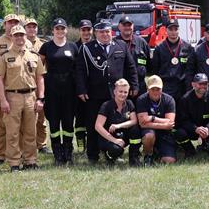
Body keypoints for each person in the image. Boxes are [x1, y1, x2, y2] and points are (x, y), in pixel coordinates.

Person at [75, 21, 138, 164]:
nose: (105, 34)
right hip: (95, 94)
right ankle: (93, 155)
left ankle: (112, 152)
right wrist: (81, 89)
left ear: (112, 32)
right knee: (92, 125)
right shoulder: (87, 48)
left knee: (113, 124)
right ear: (96, 33)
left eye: (107, 31)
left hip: (115, 95)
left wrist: (134, 85)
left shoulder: (121, 45)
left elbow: (130, 67)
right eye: (101, 32)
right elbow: (80, 71)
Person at [0, 25, 45, 171]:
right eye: (16, 35)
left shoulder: (33, 56)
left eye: (21, 35)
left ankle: (30, 160)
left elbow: (40, 78)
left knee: (30, 131)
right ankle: (14, 162)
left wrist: (40, 98)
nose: (19, 38)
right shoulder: (5, 56)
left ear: (25, 36)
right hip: (12, 97)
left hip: (30, 96)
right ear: (11, 37)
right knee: (13, 132)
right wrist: (3, 100)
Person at [39, 18, 78, 165]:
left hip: (69, 90)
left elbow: (78, 69)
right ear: (52, 30)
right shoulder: (46, 47)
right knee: (54, 123)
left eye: (62, 28)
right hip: (52, 90)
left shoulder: (73, 47)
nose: (60, 31)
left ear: (66, 30)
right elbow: (39, 69)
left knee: (68, 122)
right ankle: (57, 154)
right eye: (57, 29)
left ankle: (68, 153)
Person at [0, 13, 22, 165]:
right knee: (2, 124)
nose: (12, 24)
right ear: (4, 25)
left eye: (15, 22)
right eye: (10, 22)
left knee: (19, 125)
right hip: (1, 90)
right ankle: (0, 155)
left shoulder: (23, 42)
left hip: (18, 89)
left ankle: (17, 153)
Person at [174, 73, 209, 160]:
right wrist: (195, 129)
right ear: (193, 84)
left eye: (205, 84)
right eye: (200, 84)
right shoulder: (185, 99)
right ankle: (190, 151)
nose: (203, 86)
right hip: (192, 130)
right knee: (178, 132)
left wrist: (208, 128)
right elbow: (181, 120)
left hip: (208, 131)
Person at [94, 78, 141, 166]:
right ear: (114, 91)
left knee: (136, 129)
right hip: (108, 138)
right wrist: (114, 140)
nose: (123, 94)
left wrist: (118, 126)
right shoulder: (106, 105)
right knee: (116, 150)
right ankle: (109, 156)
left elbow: (134, 121)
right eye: (120, 91)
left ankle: (134, 157)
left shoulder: (129, 103)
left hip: (122, 135)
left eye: (125, 92)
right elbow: (98, 126)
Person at [136, 75, 177, 166]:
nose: (155, 92)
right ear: (147, 89)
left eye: (158, 89)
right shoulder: (141, 100)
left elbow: (170, 122)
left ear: (162, 88)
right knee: (149, 136)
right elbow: (142, 124)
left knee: (169, 161)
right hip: (149, 131)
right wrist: (164, 125)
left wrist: (152, 118)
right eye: (152, 89)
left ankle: (157, 152)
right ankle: (148, 155)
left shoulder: (169, 100)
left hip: (165, 133)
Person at [150, 21, 195, 101]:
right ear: (166, 30)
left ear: (179, 30)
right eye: (170, 29)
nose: (173, 32)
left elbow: (191, 69)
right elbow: (155, 70)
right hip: (166, 87)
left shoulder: (188, 47)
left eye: (176, 29)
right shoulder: (159, 48)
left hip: (183, 87)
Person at [23, 16, 50, 154]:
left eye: (34, 26)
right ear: (25, 29)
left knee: (41, 117)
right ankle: (28, 145)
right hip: (25, 84)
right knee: (27, 119)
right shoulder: (19, 43)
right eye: (29, 27)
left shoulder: (43, 44)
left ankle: (42, 144)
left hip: (40, 83)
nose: (32, 29)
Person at [73, 18, 95, 151]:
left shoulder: (96, 46)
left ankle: (94, 143)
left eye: (88, 30)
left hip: (94, 88)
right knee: (80, 117)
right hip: (78, 88)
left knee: (93, 117)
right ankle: (81, 142)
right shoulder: (74, 47)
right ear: (79, 31)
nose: (86, 33)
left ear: (92, 31)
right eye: (83, 30)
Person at [116, 15, 150, 97]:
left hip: (140, 86)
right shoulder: (114, 44)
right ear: (119, 27)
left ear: (133, 26)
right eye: (124, 25)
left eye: (129, 25)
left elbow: (149, 64)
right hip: (121, 88)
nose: (127, 28)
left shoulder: (141, 42)